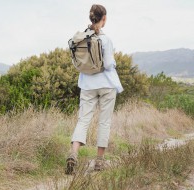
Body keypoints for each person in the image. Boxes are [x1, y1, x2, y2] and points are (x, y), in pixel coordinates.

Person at [65, 4, 124, 174]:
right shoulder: (106, 40)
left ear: (91, 18)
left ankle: (73, 154)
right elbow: (107, 64)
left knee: (83, 120)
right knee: (104, 121)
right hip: (106, 85)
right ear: (103, 19)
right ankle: (99, 161)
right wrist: (114, 62)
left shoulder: (81, 37)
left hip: (87, 84)